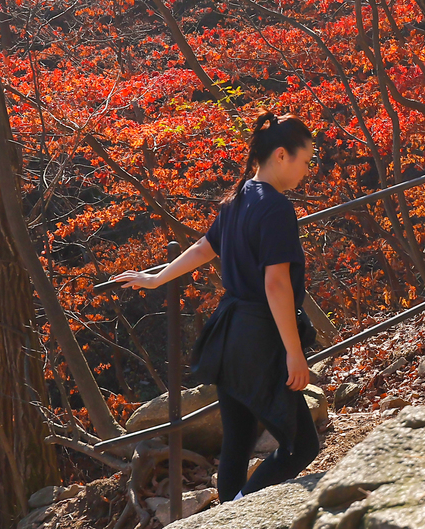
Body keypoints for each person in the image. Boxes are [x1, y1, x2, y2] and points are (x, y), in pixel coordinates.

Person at [111, 113, 321, 503]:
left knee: (238, 442)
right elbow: (275, 285)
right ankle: (240, 509)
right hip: (259, 339)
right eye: (305, 161)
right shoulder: (275, 208)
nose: (307, 171)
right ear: (281, 155)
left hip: (227, 338)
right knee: (302, 446)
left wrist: (158, 279)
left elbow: (203, 248)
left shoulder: (237, 198)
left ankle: (229, 507)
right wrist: (294, 353)